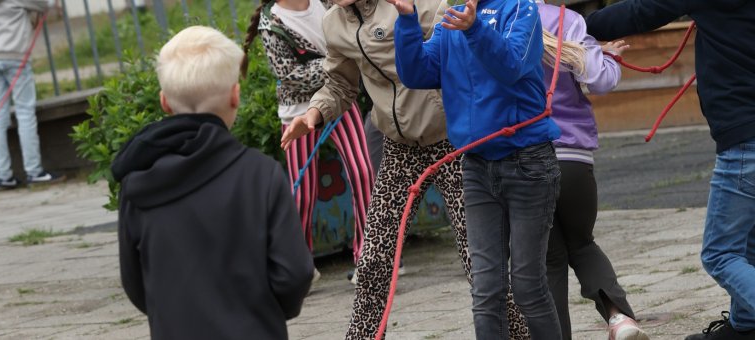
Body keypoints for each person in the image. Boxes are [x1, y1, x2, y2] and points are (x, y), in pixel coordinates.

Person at [280, 0, 531, 338]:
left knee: (479, 261)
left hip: (450, 141)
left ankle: (520, 334)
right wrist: (314, 113)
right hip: (399, 147)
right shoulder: (334, 23)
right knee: (373, 261)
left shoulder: (420, 4)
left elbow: (459, 54)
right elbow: (340, 83)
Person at [111, 26, 314, 340]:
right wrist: (266, 311)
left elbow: (135, 281)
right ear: (235, 95)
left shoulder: (137, 181)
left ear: (165, 102)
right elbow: (295, 272)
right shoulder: (261, 174)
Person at [392, 0, 563, 338]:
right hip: (476, 166)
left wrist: (474, 28)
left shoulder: (521, 8)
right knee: (485, 290)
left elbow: (512, 64)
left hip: (529, 163)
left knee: (528, 286)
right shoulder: (452, 16)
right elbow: (417, 73)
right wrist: (407, 19)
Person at [585, 1, 755, 339]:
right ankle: (744, 327)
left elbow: (643, 10)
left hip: (744, 139)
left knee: (721, 253)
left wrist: (573, 25)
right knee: (747, 241)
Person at [535, 2, 649, 340]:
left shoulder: (492, 21)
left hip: (526, 158)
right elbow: (599, 80)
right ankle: (619, 318)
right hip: (573, 155)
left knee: (549, 259)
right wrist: (607, 58)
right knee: (583, 244)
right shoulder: (565, 20)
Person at [241, 0, 375, 280]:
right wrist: (338, 63)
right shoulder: (272, 23)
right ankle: (298, 265)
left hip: (340, 100)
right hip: (298, 114)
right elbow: (289, 76)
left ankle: (369, 257)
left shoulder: (327, 2)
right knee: (302, 193)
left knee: (363, 171)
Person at [0, 0, 62, 190]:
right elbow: (44, 4)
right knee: (25, 112)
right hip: (14, 55)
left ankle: (2, 175)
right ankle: (34, 171)